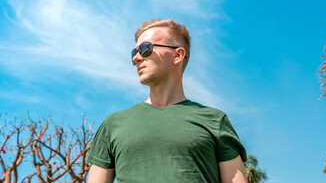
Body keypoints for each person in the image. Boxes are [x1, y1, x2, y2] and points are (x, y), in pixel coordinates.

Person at [86, 19, 247, 183]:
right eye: (134, 52)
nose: (137, 58)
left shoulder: (215, 120)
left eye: (145, 48)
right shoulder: (112, 124)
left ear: (178, 55)